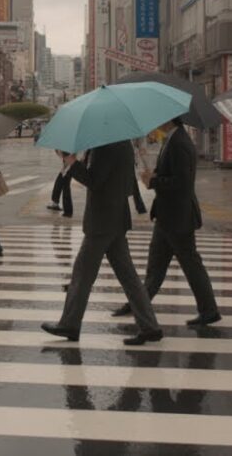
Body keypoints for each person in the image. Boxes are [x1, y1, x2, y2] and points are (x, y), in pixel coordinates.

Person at [41, 140, 163, 346]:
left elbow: (94, 181)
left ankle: (69, 324)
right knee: (128, 277)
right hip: (115, 216)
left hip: (102, 220)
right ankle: (150, 326)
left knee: (82, 274)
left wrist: (70, 160)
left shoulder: (105, 146)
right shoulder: (122, 143)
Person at [114, 117, 221, 326]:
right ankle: (138, 304)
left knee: (191, 265)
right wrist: (155, 175)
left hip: (178, 217)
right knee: (155, 268)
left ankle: (209, 310)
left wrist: (153, 181)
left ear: (169, 120)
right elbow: (174, 175)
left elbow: (182, 183)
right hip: (168, 216)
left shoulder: (179, 142)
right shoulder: (173, 139)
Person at [47, 150, 73, 218]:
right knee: (61, 183)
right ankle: (56, 203)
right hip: (68, 164)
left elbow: (70, 156)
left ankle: (68, 211)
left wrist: (66, 166)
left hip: (69, 164)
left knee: (65, 186)